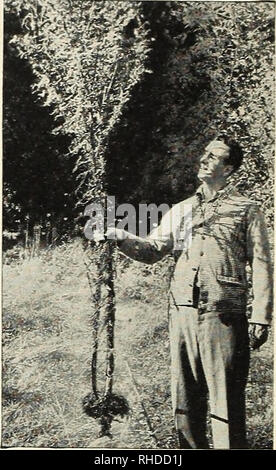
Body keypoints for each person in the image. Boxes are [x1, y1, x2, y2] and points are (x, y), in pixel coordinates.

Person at [106, 137, 273, 449]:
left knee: (226, 404)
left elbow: (263, 264)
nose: (205, 159)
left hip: (223, 316)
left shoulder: (247, 210)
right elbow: (153, 249)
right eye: (205, 154)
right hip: (182, 313)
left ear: (230, 167)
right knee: (185, 401)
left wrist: (261, 316)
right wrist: (121, 236)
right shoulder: (183, 209)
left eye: (215, 157)